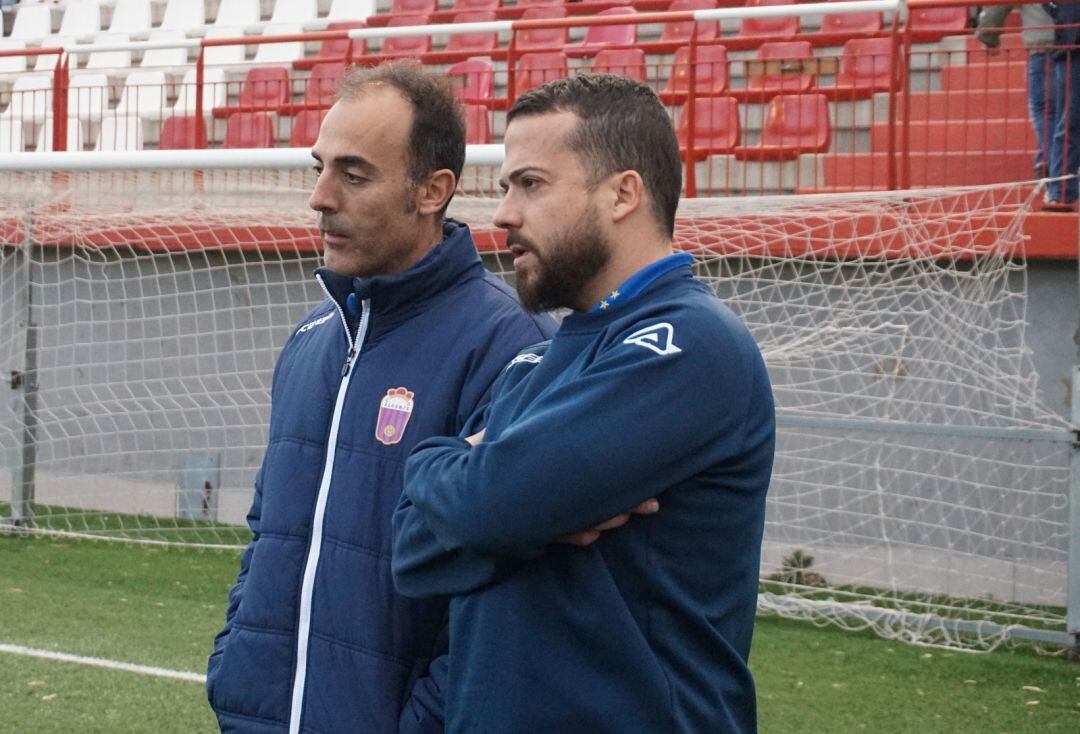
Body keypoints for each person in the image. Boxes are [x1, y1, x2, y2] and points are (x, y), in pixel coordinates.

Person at [392, 74, 776, 734]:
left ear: (623, 194)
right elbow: (411, 551)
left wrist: (442, 467)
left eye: (530, 184)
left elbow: (486, 506)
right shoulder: (535, 359)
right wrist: (514, 507)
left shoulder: (690, 343)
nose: (503, 214)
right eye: (507, 186)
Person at [204, 61, 554, 734]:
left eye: (354, 175)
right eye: (320, 168)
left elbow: (509, 593)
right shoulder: (313, 336)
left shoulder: (510, 347)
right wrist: (236, 670)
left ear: (432, 191)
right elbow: (269, 530)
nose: (321, 198)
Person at [976, 3, 1057, 180]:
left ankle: (1052, 162)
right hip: (1071, 43)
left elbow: (997, 6)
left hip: (1042, 46)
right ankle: (1054, 161)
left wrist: (988, 37)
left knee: (1045, 110)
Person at [1045, 0, 1080, 209]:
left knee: (1069, 123)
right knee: (1069, 122)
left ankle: (1060, 192)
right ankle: (1060, 193)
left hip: (1070, 47)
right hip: (1071, 50)